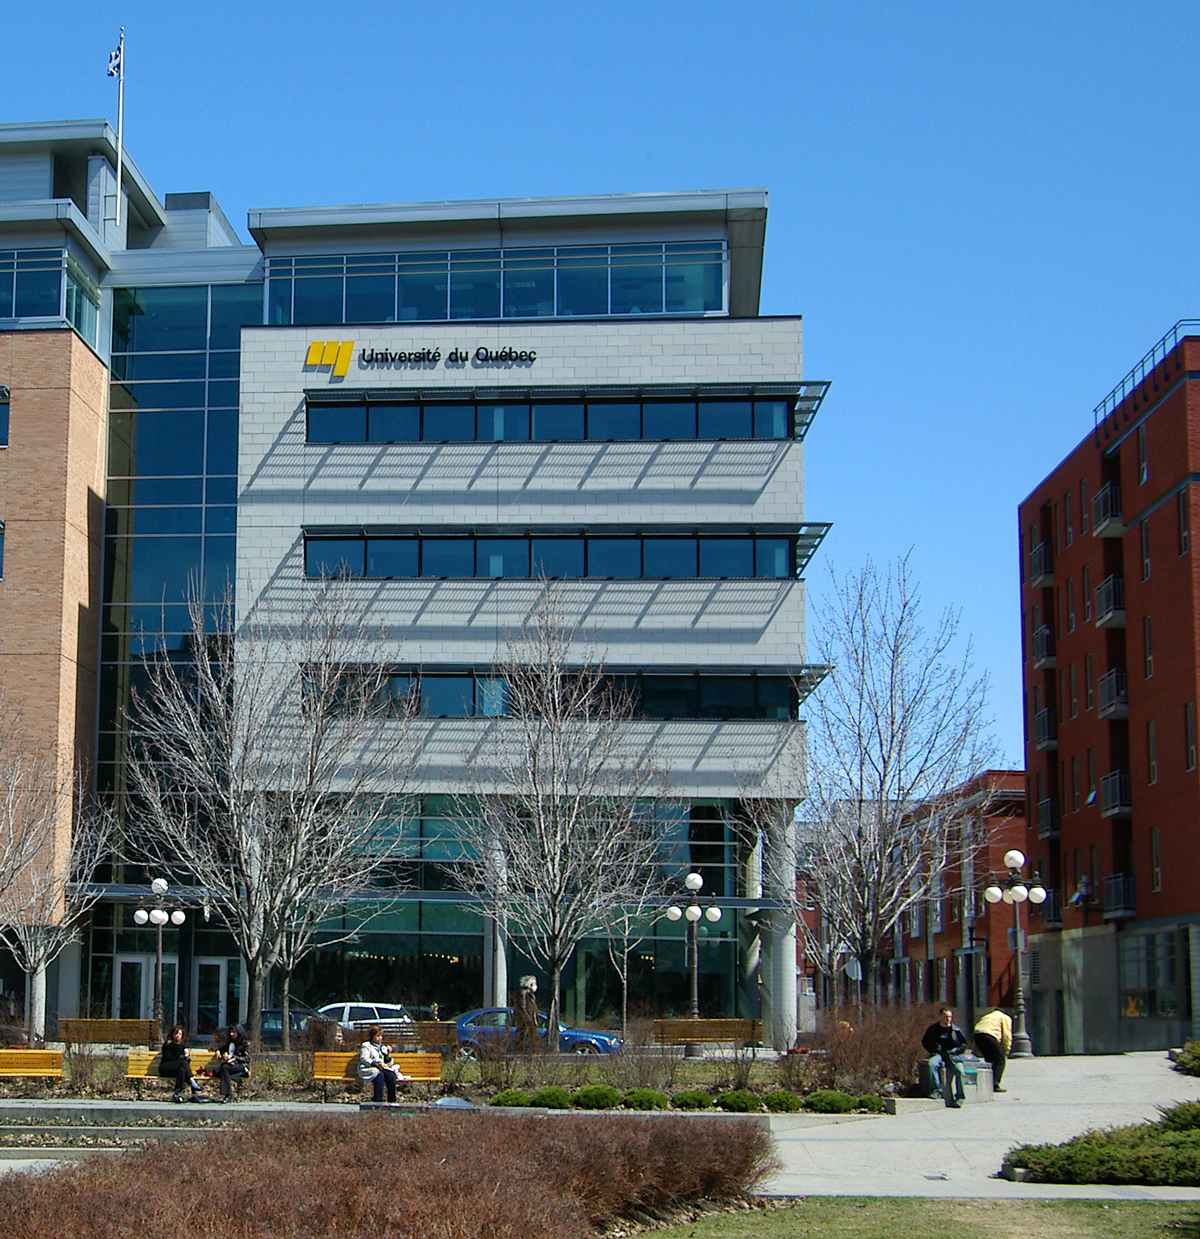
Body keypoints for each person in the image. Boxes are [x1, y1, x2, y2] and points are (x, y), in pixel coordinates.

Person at [921, 1006, 968, 1108]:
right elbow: (925, 1041)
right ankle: (936, 1090)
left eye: (950, 1017)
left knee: (960, 1071)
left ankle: (960, 1097)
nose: (948, 1019)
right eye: (946, 1017)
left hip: (953, 1055)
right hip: (939, 1054)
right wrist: (933, 1050)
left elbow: (963, 1044)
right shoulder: (933, 1029)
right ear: (940, 1016)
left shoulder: (956, 1030)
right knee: (931, 1064)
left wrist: (956, 1051)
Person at [358, 1024, 406, 1102]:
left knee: (391, 1076)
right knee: (379, 1076)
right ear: (372, 1036)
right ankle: (378, 1100)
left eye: (381, 1036)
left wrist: (388, 1055)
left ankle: (392, 1100)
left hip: (382, 1068)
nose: (380, 1038)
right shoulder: (366, 1046)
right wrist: (375, 1063)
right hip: (369, 1068)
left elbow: (389, 1063)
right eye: (377, 1036)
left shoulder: (383, 1047)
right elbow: (364, 1058)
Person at [159, 1024, 203, 1103]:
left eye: (179, 1034)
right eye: (176, 1033)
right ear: (172, 1034)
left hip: (175, 1069)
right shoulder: (168, 1045)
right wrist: (180, 1058)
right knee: (182, 1064)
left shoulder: (182, 1046)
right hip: (165, 1067)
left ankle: (177, 1092)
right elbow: (168, 1057)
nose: (177, 1036)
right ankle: (191, 1081)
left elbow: (185, 1062)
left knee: (182, 1070)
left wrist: (187, 1058)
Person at [973, 1007, 1013, 1093]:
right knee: (1000, 1061)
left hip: (978, 1036)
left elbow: (977, 1030)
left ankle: (988, 1083)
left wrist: (975, 1052)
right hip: (990, 1036)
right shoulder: (1004, 1017)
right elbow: (1006, 1035)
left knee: (989, 1060)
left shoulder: (987, 1016)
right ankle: (995, 1084)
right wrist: (1006, 1051)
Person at [214, 1025, 251, 1103]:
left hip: (241, 1065)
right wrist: (218, 1051)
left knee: (224, 1068)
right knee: (217, 1071)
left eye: (233, 1032)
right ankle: (234, 1079)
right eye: (230, 1032)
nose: (231, 1034)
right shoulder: (231, 1043)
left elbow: (247, 1058)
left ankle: (228, 1094)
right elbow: (222, 1049)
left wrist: (233, 1057)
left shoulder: (245, 1043)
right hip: (231, 1065)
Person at [514, 975, 539, 1054]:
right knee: (522, 1037)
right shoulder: (523, 993)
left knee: (533, 1038)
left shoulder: (531, 995)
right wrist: (528, 1018)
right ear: (530, 985)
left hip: (531, 1021)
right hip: (526, 1021)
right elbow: (523, 1007)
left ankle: (533, 1053)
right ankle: (519, 1053)